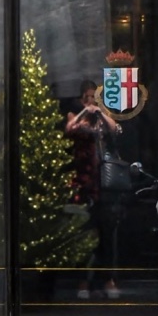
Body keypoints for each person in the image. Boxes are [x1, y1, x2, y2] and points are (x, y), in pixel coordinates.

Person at [64, 80, 125, 299]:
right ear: (81, 99)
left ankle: (108, 279)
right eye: (87, 97)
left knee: (108, 235)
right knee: (84, 234)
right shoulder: (76, 116)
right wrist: (84, 113)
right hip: (84, 184)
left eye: (94, 97)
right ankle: (83, 282)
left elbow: (116, 129)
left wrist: (99, 112)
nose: (91, 101)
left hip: (105, 187)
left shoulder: (103, 118)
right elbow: (69, 128)